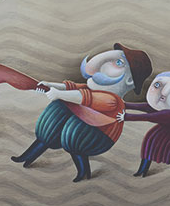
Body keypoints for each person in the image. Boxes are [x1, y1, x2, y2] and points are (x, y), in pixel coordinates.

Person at [11, 43, 152, 182]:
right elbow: (71, 88)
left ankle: (84, 172)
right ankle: (27, 157)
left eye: (119, 63)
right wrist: (51, 85)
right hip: (84, 124)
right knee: (56, 115)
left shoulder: (113, 100)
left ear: (129, 80)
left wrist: (59, 94)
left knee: (74, 133)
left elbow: (84, 98)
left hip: (99, 134)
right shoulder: (90, 89)